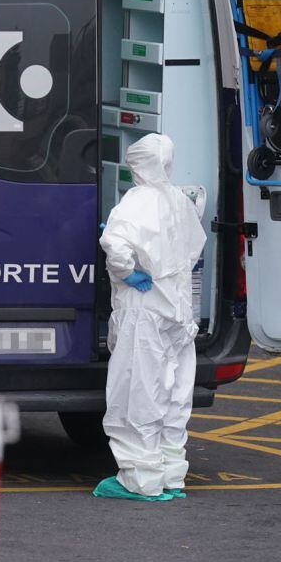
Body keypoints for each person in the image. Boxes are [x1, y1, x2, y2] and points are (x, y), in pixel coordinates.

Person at [94, 133, 207, 502]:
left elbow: (115, 244)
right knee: (174, 393)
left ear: (138, 166)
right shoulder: (180, 200)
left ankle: (140, 480)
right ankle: (172, 475)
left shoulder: (136, 201)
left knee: (138, 391)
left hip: (144, 308)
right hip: (177, 309)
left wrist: (127, 272)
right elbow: (194, 246)